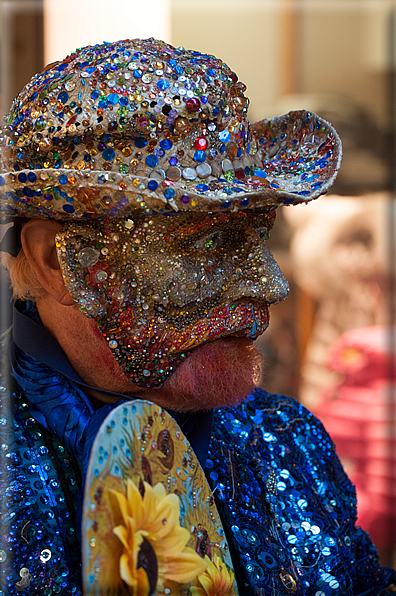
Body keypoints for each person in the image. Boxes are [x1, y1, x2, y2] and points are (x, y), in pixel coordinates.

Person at [0, 37, 394, 596]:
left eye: (254, 240)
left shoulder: (287, 441)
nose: (270, 284)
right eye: (205, 247)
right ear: (56, 262)